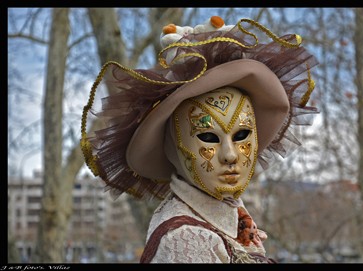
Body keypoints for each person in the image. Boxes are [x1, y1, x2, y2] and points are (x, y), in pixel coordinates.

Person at [80, 15, 318, 263]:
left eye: (241, 135)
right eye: (208, 137)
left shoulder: (227, 217)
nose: (230, 154)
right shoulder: (186, 239)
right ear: (173, 148)